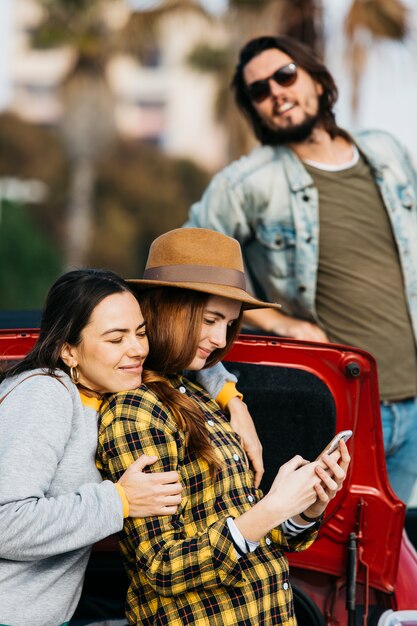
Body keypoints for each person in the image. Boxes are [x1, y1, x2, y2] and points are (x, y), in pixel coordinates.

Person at [185, 35, 417, 504]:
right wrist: (277, 321)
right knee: (324, 559)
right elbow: (188, 271)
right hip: (335, 403)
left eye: (285, 75)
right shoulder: (247, 182)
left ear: (316, 78)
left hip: (413, 401)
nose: (276, 92)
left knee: (395, 561)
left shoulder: (387, 153)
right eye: (259, 90)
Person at [97, 227, 350, 625]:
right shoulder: (136, 411)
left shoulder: (198, 394)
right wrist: (271, 508)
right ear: (168, 309)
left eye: (229, 324)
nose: (219, 339)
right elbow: (161, 567)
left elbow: (251, 532)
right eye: (210, 319)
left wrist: (306, 507)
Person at [0, 269, 183, 626]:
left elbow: (193, 350)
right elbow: (5, 523)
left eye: (141, 333)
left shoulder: (106, 392)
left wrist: (230, 396)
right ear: (68, 350)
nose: (138, 349)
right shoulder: (45, 393)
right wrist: (120, 501)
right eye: (116, 339)